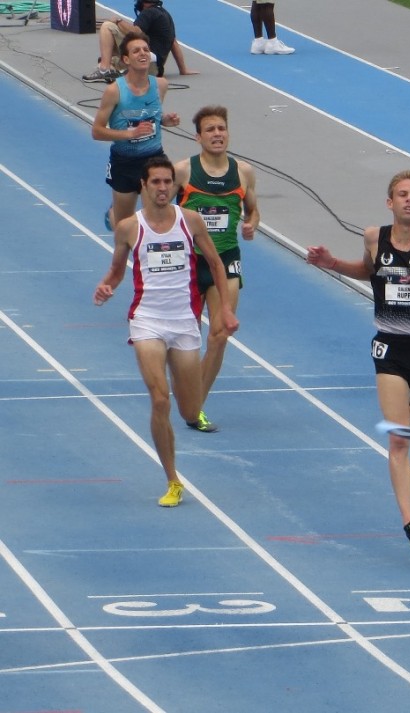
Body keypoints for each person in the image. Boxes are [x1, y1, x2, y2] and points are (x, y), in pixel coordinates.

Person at [305, 171, 410, 552]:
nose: (408, 200)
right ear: (390, 202)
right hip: (390, 349)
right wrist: (332, 263)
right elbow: (367, 271)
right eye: (402, 194)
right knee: (399, 441)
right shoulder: (373, 237)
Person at [94, 156, 239, 507]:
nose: (162, 189)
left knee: (189, 409)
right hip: (147, 319)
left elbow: (217, 265)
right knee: (160, 398)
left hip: (184, 323)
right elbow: (116, 270)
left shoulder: (190, 221)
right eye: (155, 182)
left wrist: (225, 311)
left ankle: (186, 402)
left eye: (167, 182)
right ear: (143, 186)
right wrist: (106, 286)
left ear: (174, 186)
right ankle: (173, 480)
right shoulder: (129, 227)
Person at [174, 106, 260, 432]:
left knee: (220, 335)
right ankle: (186, 390)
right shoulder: (183, 172)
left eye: (221, 128)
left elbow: (253, 212)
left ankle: (196, 407)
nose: (217, 134)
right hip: (189, 262)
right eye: (210, 129)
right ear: (198, 137)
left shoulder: (244, 173)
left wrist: (251, 225)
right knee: (186, 339)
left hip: (225, 261)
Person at [91, 31, 181, 235]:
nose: (143, 53)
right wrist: (129, 134)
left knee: (157, 216)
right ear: (126, 59)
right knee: (123, 227)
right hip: (124, 161)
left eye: (146, 50)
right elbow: (96, 131)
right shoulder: (115, 91)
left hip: (154, 158)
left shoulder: (160, 85)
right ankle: (113, 214)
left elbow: (152, 118)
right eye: (136, 50)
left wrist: (165, 121)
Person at [82, 0, 196, 83]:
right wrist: (183, 69)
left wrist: (118, 21)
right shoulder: (165, 14)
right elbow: (174, 43)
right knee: (110, 58)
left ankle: (104, 69)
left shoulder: (149, 13)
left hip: (146, 64)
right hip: (156, 69)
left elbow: (136, 32)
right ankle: (112, 67)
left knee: (107, 27)